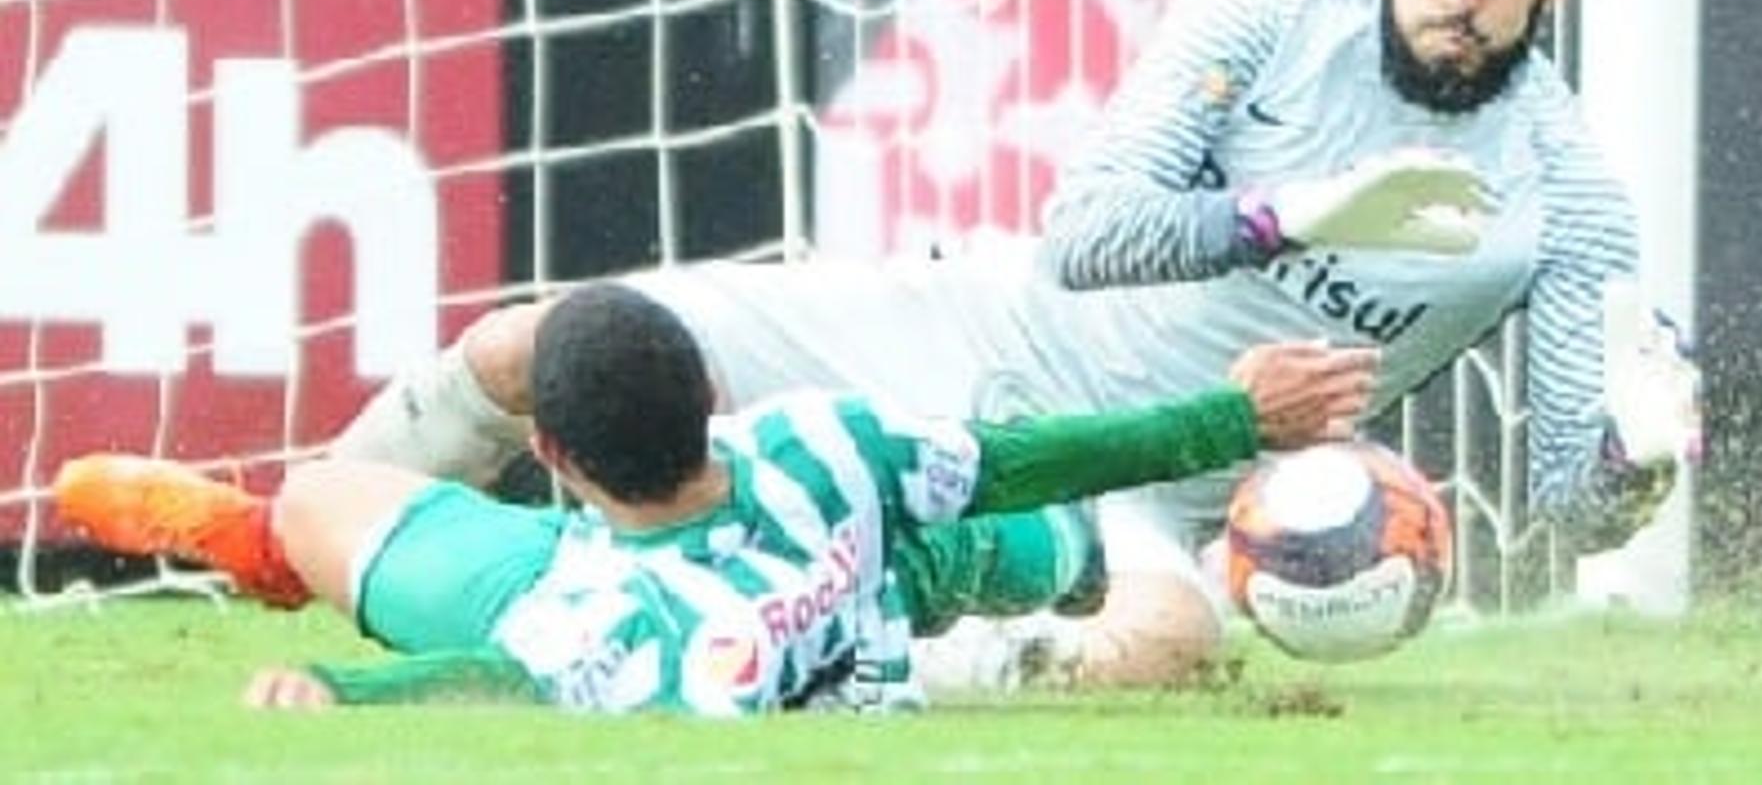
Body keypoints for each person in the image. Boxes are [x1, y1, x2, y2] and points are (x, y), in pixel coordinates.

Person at [324, 0, 1696, 687]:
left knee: (1164, 652)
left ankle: (888, 673)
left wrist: (1639, 461)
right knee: (538, 344)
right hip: (974, 331)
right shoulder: (1263, 16)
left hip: (1158, 474)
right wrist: (1310, 212)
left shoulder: (1563, 202)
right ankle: (313, 526)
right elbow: (1088, 236)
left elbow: (1575, 503)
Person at [53, 282, 1371, 715]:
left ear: (552, 459)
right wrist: (1234, 419)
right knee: (1146, 608)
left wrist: (339, 690)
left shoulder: (598, 627)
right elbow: (1021, 460)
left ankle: (269, 545)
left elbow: (485, 679)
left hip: (537, 577)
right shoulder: (824, 441)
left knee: (319, 500)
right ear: (709, 393)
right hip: (909, 572)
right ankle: (1199, 567)